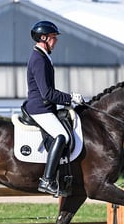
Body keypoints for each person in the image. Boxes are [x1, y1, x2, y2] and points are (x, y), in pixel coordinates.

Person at [25, 20, 85, 196]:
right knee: (62, 136)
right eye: (53, 37)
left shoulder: (43, 56)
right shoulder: (38, 59)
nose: (55, 41)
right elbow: (47, 93)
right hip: (40, 108)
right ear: (43, 38)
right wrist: (70, 98)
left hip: (44, 106)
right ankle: (47, 180)